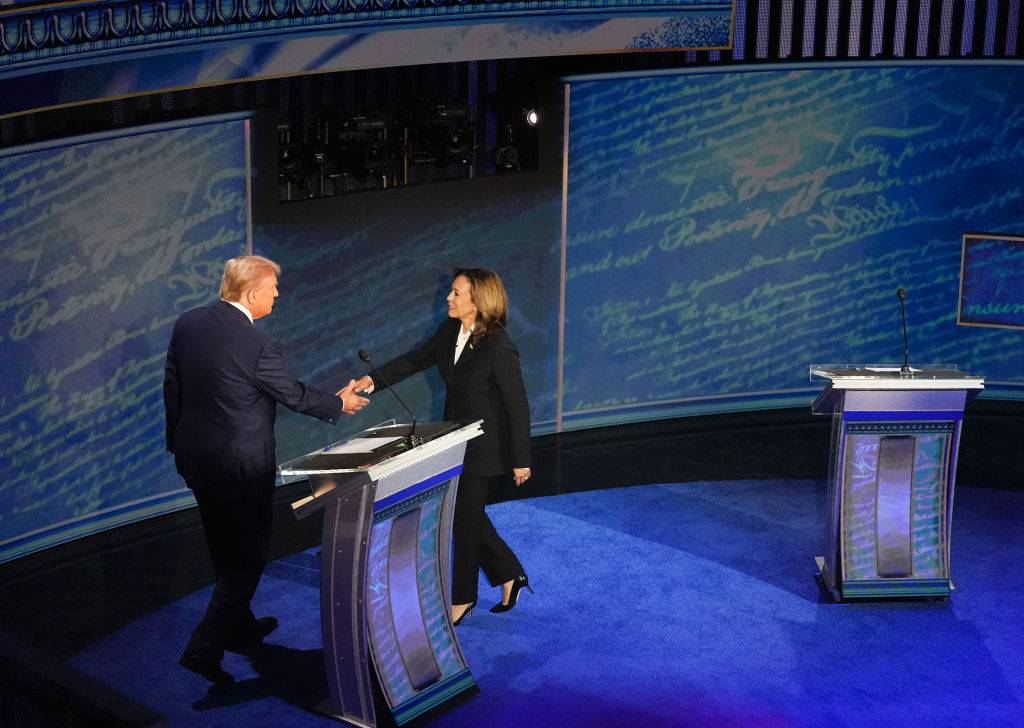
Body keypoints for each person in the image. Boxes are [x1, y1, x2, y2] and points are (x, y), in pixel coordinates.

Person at [164, 254, 368, 684]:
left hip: (197, 459)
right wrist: (340, 403)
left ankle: (238, 625)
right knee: (248, 558)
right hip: (240, 467)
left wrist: (178, 448)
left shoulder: (189, 322)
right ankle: (203, 649)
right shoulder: (257, 344)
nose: (277, 294)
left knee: (224, 545)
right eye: (273, 288)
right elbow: (292, 394)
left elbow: (173, 387)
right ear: (253, 293)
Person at [354, 267, 533, 625]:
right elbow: (412, 360)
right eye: (450, 292)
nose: (448, 298)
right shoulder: (448, 331)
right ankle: (511, 573)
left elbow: (517, 405)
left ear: (478, 300)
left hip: (486, 445)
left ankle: (463, 598)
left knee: (463, 521)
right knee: (466, 515)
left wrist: (521, 459)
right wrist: (371, 380)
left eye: (456, 293)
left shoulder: (499, 346)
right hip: (454, 440)